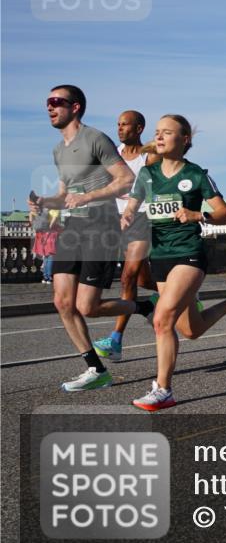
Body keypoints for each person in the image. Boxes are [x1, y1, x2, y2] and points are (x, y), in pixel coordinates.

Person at [122, 114, 226, 411]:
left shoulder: (197, 175)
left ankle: (163, 389)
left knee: (162, 320)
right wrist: (127, 217)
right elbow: (132, 208)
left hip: (189, 254)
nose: (159, 137)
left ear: (184, 140)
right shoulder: (147, 175)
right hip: (159, 255)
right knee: (191, 330)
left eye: (167, 132)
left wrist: (198, 215)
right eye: (157, 132)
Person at [28, 85, 139, 392]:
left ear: (75, 107)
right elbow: (65, 195)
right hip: (72, 227)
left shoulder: (95, 138)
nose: (49, 107)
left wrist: (89, 196)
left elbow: (126, 179)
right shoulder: (58, 149)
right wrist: (43, 202)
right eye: (47, 102)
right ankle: (96, 369)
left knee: (87, 306)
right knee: (63, 302)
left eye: (56, 102)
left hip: (101, 225)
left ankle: (145, 308)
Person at [92, 110, 160, 361]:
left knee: (127, 277)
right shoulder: (114, 155)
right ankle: (184, 293)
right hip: (116, 220)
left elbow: (159, 186)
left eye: (125, 125)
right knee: (142, 281)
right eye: (118, 125)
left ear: (139, 128)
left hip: (141, 218)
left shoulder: (148, 157)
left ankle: (115, 340)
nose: (120, 129)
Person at [32, 209, 62, 284]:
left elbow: (32, 217)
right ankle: (49, 277)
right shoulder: (55, 210)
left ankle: (45, 277)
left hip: (42, 234)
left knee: (45, 256)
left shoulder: (42, 210)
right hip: (51, 233)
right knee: (50, 256)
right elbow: (53, 223)